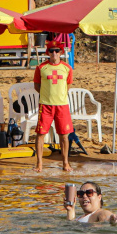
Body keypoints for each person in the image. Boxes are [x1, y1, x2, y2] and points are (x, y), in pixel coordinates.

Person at [33, 41, 74, 173]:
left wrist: (59, 96)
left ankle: (65, 163)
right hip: (45, 105)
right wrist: (47, 96)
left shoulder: (67, 68)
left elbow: (68, 85)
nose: (54, 53)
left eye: (57, 50)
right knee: (40, 134)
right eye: (51, 50)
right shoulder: (41, 68)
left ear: (61, 52)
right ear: (48, 52)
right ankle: (39, 164)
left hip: (62, 105)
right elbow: (37, 86)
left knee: (64, 135)